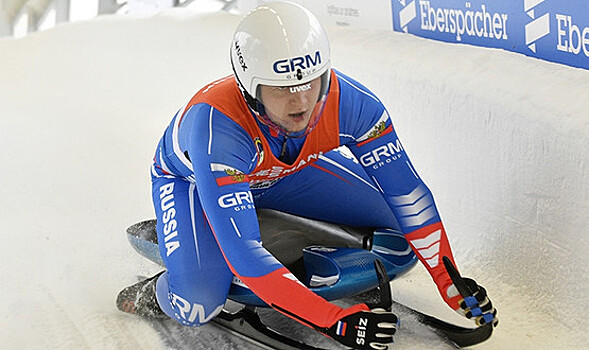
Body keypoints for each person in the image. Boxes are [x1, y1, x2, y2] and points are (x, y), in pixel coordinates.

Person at [116, 2, 497, 348]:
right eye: (283, 89)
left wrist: (449, 280)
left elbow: (409, 197)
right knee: (197, 304)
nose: (300, 102)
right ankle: (166, 283)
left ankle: (263, 231)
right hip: (194, 185)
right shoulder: (218, 129)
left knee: (400, 235)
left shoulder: (353, 104)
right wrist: (332, 321)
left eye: (309, 83)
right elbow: (244, 254)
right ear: (251, 89)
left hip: (284, 172)